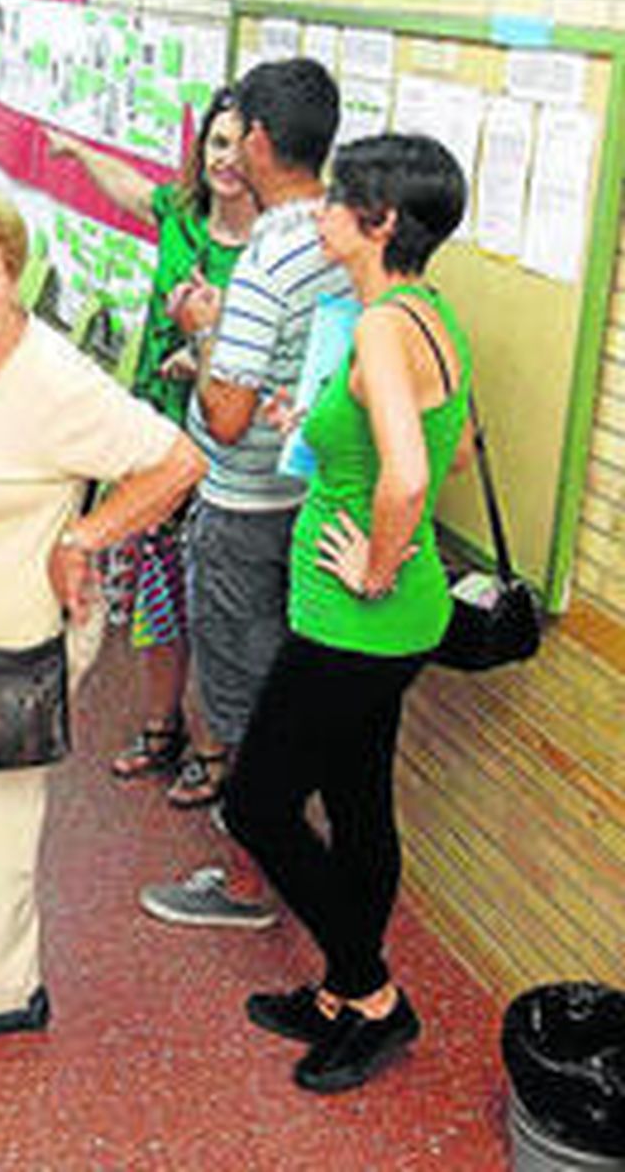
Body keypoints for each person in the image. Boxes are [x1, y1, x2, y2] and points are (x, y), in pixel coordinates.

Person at [0, 191, 205, 1040]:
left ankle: (4, 990)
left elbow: (178, 461)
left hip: (13, 637)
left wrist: (87, 533)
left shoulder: (54, 379)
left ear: (13, 276)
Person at [224, 134, 471, 1093]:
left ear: (379, 224)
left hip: (355, 621)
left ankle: (371, 993)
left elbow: (411, 475)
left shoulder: (378, 328)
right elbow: (442, 451)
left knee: (259, 804)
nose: (321, 213)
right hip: (399, 621)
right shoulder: (424, 313)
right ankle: (339, 988)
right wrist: (318, 427)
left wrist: (373, 561)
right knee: (360, 800)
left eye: (337, 203)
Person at [138, 58, 351, 931]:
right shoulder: (344, 235)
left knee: (242, 695)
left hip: (245, 503)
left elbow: (224, 417)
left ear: (259, 140)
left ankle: (248, 881)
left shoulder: (268, 255)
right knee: (287, 686)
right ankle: (287, 857)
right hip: (311, 497)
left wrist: (204, 327)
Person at [47, 87, 257, 806]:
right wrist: (78, 152)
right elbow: (132, 189)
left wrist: (206, 354)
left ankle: (213, 744)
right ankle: (161, 725)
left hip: (233, 451)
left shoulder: (276, 247)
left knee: (218, 607)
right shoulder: (183, 217)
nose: (227, 160)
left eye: (240, 144)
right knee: (159, 592)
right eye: (217, 144)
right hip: (159, 439)